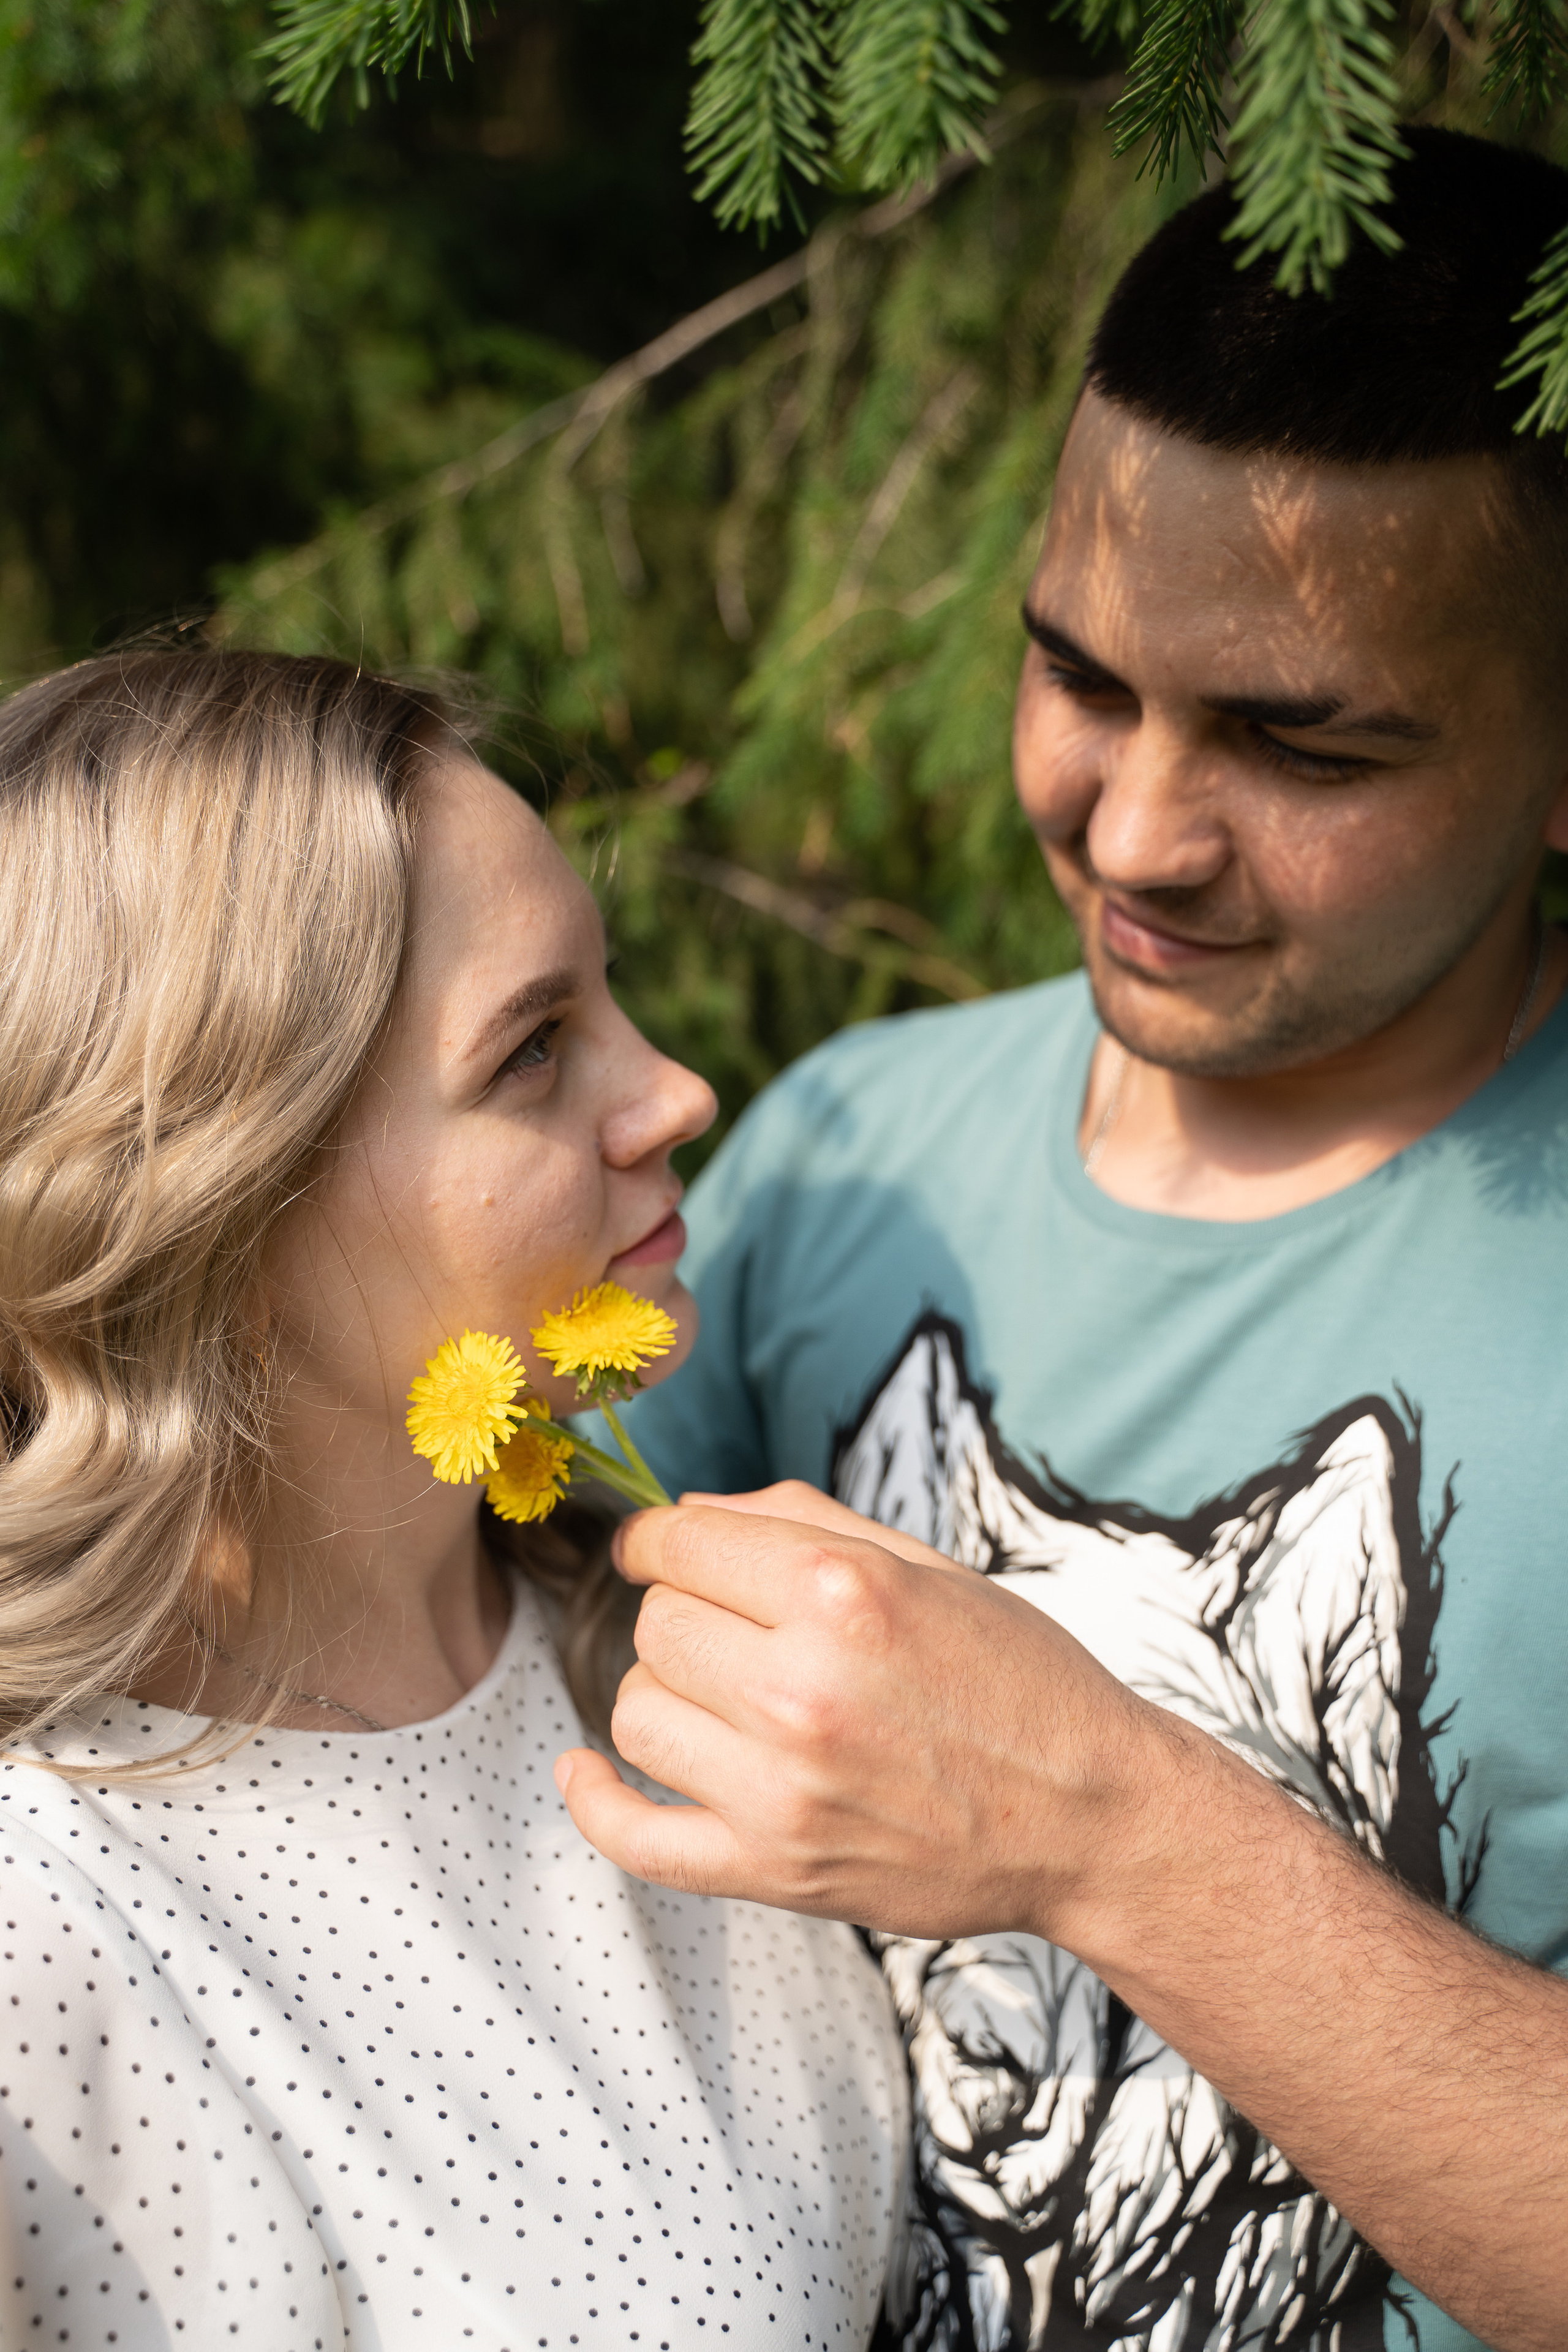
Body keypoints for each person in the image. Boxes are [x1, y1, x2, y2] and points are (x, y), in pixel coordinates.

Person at [552, 127, 1568, 2352]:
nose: (1132, 830)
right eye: (1084, 678)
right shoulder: (841, 1153)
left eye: (1301, 746)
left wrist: (1110, 1831)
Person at [0, 649, 908, 2348]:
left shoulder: (656, 1642)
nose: (677, 1094)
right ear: (222, 1212)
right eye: (536, 1049)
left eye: (607, 997)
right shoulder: (47, 1936)